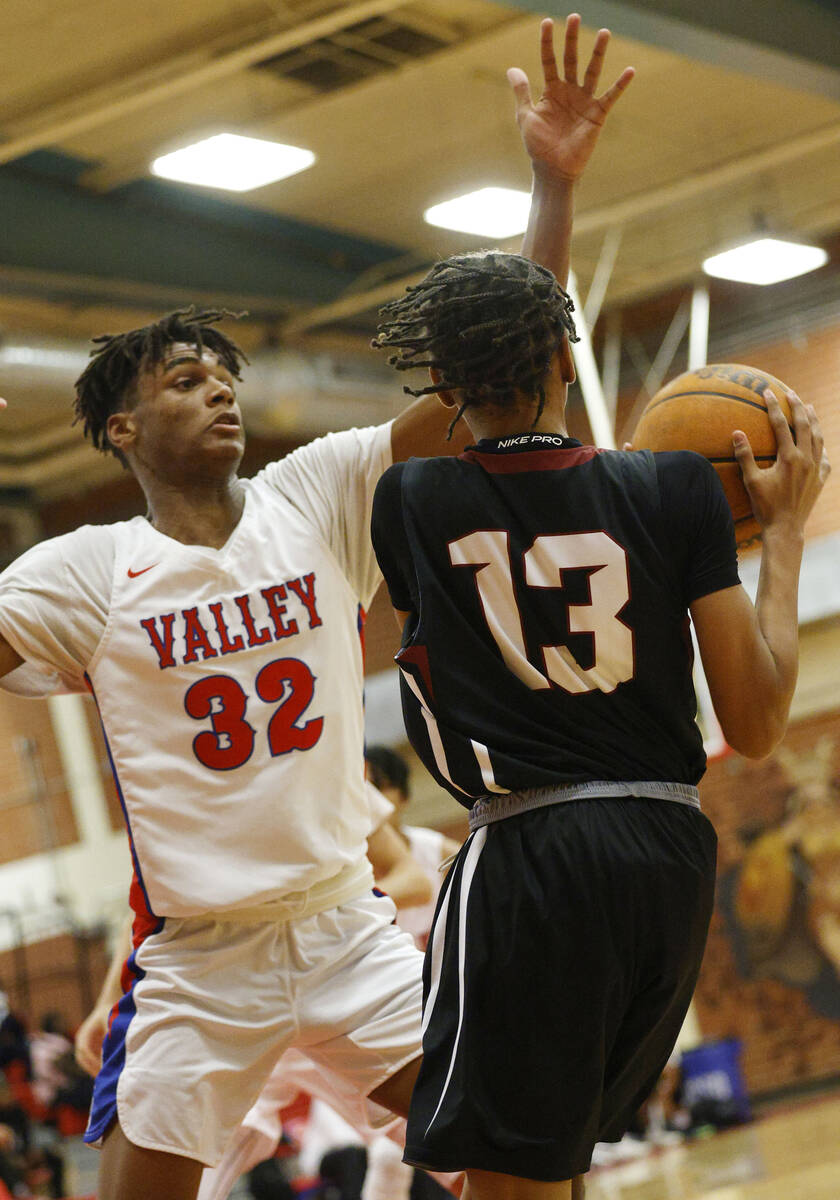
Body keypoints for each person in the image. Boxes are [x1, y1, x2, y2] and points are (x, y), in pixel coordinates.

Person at [0, 16, 632, 1200]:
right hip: (200, 962)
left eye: (227, 373)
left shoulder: (318, 494)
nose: (221, 390)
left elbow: (498, 375)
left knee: (529, 1178)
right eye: (185, 381)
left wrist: (549, 185)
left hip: (350, 931)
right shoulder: (83, 570)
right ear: (122, 431)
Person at [370, 180, 829, 1200]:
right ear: (560, 353)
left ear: (442, 377)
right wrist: (786, 534)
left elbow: (484, 452)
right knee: (559, 1165)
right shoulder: (670, 487)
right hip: (668, 855)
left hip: (531, 851)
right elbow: (755, 727)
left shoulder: (412, 500)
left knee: (509, 1183)